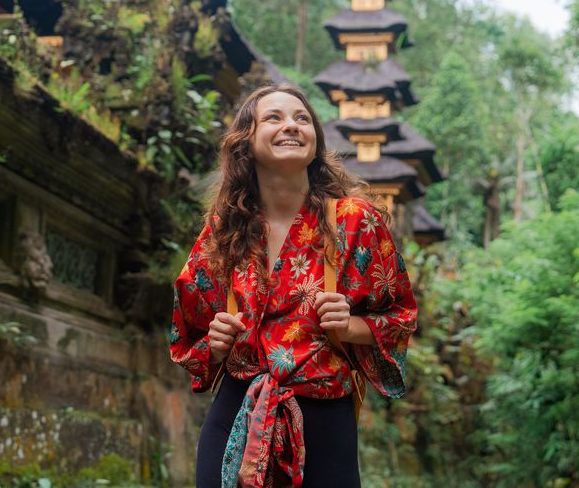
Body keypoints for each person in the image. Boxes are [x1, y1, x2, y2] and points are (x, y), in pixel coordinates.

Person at [169, 84, 417, 488]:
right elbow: (188, 332)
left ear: (316, 141)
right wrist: (214, 343)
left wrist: (349, 326)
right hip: (238, 411)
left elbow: (400, 315)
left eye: (302, 118)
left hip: (325, 419)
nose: (291, 126)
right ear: (246, 142)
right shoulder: (225, 230)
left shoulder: (356, 221)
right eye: (274, 117)